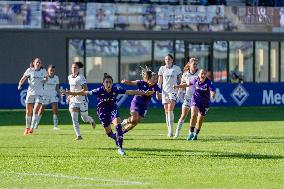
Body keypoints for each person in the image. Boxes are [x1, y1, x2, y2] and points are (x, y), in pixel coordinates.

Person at [63, 73, 154, 156]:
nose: (108, 84)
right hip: (102, 111)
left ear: (112, 83)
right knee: (109, 133)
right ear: (103, 83)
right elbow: (84, 92)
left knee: (118, 125)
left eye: (110, 82)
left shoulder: (115, 89)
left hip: (112, 108)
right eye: (106, 82)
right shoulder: (99, 90)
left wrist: (143, 93)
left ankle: (120, 148)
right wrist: (70, 93)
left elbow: (130, 92)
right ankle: (115, 137)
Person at [174, 69, 216, 141]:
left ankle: (196, 134)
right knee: (193, 115)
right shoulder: (195, 79)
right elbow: (187, 84)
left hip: (204, 102)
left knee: (200, 119)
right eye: (201, 73)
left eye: (204, 74)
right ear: (198, 74)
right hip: (195, 99)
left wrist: (212, 94)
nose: (203, 75)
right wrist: (178, 86)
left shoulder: (208, 82)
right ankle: (191, 133)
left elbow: (213, 90)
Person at [120, 67, 162, 134]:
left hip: (144, 106)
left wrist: (159, 96)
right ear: (149, 78)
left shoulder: (156, 87)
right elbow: (132, 82)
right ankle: (125, 122)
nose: (155, 80)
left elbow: (159, 98)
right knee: (134, 118)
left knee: (135, 122)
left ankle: (121, 132)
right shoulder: (142, 82)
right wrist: (125, 82)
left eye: (156, 79)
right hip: (136, 102)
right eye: (154, 78)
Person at [18, 58, 48, 135]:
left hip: (40, 93)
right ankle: (27, 128)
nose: (38, 63)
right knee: (28, 112)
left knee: (36, 110)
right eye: (37, 62)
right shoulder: (30, 70)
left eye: (39, 62)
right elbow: (23, 78)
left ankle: (31, 128)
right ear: (34, 63)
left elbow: (46, 78)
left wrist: (45, 80)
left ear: (41, 64)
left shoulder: (43, 71)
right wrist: (20, 85)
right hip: (30, 93)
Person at [67, 61, 95, 140]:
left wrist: (73, 93)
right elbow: (71, 89)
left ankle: (91, 120)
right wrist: (69, 96)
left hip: (82, 100)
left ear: (78, 69)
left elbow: (85, 90)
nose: (73, 69)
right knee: (74, 118)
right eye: (72, 67)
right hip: (73, 101)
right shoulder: (69, 77)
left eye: (75, 67)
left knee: (84, 118)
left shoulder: (81, 77)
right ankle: (78, 135)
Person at [174, 57, 199, 138]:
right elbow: (182, 85)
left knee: (194, 116)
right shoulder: (185, 74)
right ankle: (177, 133)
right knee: (183, 115)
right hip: (188, 97)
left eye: (196, 64)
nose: (195, 65)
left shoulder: (199, 73)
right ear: (189, 65)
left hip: (197, 98)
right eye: (193, 64)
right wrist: (178, 94)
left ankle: (190, 133)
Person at [158, 54, 182, 138]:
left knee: (170, 109)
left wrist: (180, 90)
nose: (167, 60)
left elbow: (181, 81)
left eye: (168, 59)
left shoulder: (177, 68)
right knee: (166, 111)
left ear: (172, 60)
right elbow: (159, 82)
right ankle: (169, 130)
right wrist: (158, 91)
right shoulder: (162, 68)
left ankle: (171, 131)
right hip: (165, 92)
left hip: (173, 91)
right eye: (166, 59)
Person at [35, 65, 60, 130]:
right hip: (45, 95)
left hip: (53, 95)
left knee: (55, 109)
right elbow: (40, 84)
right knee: (41, 110)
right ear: (48, 71)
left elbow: (57, 88)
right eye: (50, 70)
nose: (52, 72)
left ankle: (55, 126)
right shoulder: (45, 77)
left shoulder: (56, 78)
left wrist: (59, 93)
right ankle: (36, 124)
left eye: (53, 70)